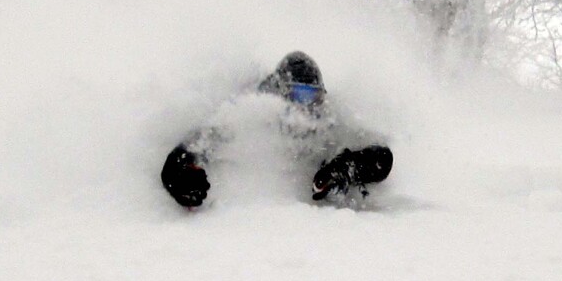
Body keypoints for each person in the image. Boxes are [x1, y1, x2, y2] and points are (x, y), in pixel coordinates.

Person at [161, 51, 393, 207]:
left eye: (312, 96)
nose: (305, 106)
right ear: (279, 92)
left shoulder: (327, 123)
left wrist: (344, 169)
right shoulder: (251, 114)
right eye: (297, 95)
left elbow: (380, 159)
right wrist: (182, 176)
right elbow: (195, 145)